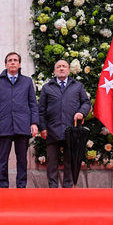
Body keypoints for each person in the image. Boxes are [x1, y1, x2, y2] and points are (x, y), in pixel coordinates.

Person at [0, 52, 39, 188]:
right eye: (9, 60)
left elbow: (33, 104)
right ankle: (3, 186)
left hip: (22, 125)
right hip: (3, 126)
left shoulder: (27, 81)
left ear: (19, 64)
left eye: (15, 60)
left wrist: (34, 123)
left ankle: (21, 186)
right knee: (2, 160)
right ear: (5, 64)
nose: (12, 62)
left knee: (22, 159)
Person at [38, 59, 91, 188]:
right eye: (58, 67)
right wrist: (43, 128)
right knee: (52, 162)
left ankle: (68, 188)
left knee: (69, 161)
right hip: (52, 130)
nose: (61, 68)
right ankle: (53, 188)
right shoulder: (47, 87)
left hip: (71, 130)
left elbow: (86, 102)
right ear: (54, 71)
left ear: (68, 70)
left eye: (64, 66)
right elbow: (41, 110)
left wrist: (81, 113)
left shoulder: (77, 86)